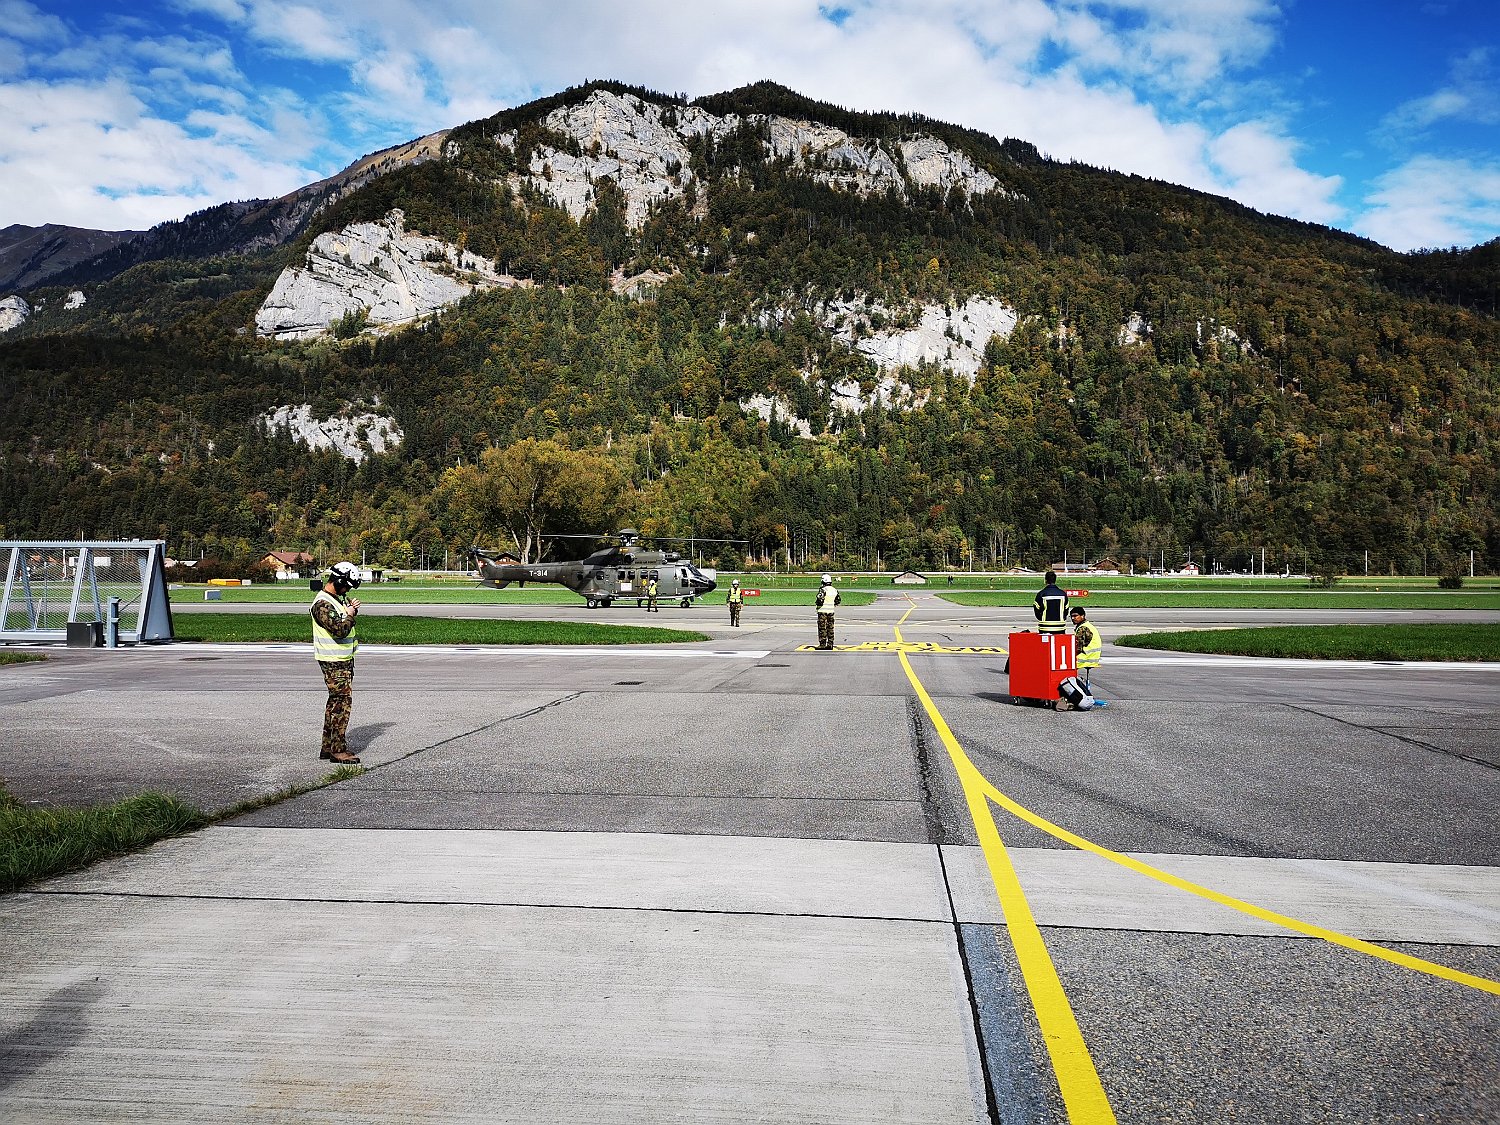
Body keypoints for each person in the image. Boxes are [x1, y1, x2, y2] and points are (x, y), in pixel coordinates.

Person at [310, 561, 362, 765]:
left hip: (340, 660)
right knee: (341, 705)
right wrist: (350, 615)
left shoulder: (333, 601)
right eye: (346, 586)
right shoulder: (323, 604)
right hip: (334, 662)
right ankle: (338, 751)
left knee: (334, 704)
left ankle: (328, 747)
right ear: (339, 581)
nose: (347, 590)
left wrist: (349, 610)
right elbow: (339, 630)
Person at [1071, 606, 1101, 690]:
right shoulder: (1087, 625)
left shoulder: (1083, 628)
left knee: (1063, 667)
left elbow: (1078, 647)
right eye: (1071, 616)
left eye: (1075, 616)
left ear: (1082, 616)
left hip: (1085, 658)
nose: (1073, 618)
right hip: (1091, 657)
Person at [1033, 569, 1069, 634]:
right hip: (1060, 627)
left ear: (1045, 580)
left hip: (1045, 627)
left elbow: (1036, 609)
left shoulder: (1041, 594)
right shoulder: (1063, 594)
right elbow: (1066, 610)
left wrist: (1042, 618)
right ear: (1055, 580)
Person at [815, 573, 840, 649]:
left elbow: (820, 599)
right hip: (831, 612)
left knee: (822, 628)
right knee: (830, 628)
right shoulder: (834, 590)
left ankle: (822, 644)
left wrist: (818, 603)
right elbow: (838, 600)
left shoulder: (823, 590)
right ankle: (830, 643)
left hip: (822, 611)